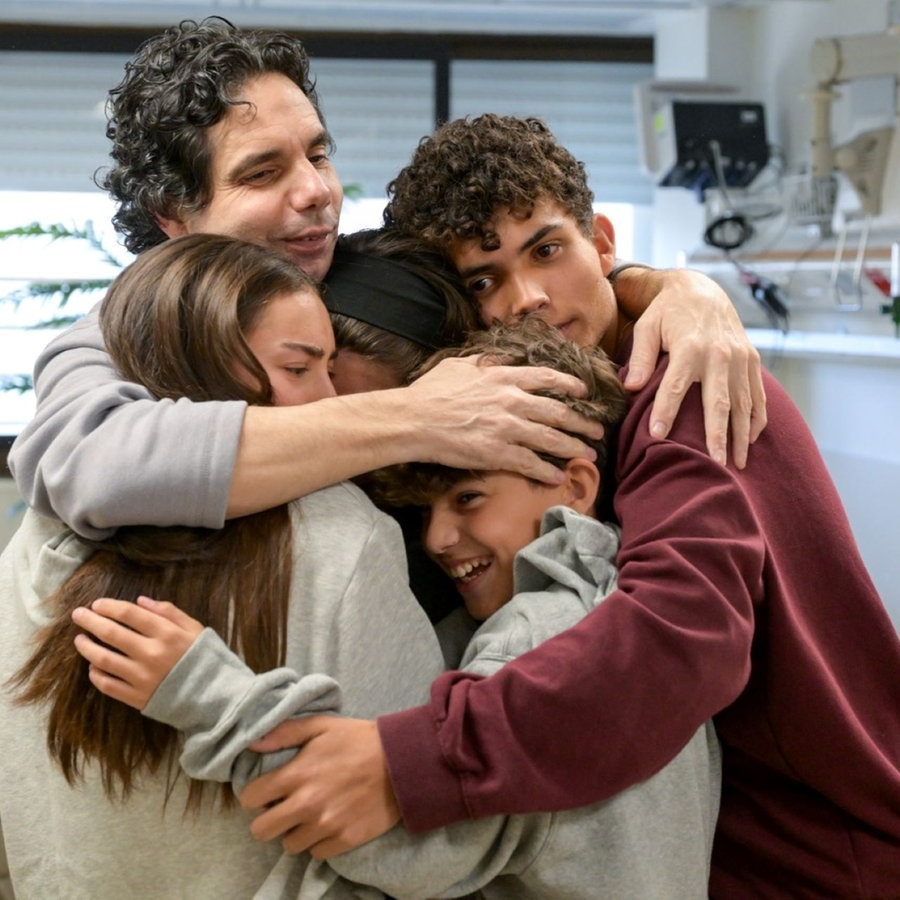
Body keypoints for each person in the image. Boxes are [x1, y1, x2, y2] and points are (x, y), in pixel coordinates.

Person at [241, 114, 900, 898]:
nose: (527, 300)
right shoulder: (575, 404)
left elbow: (681, 639)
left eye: (547, 251)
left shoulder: (687, 394)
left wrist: (412, 759)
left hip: (822, 859)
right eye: (484, 281)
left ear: (604, 242)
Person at [8, 17, 768, 546]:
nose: (317, 191)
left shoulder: (351, 271)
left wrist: (669, 287)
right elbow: (89, 464)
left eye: (318, 153)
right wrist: (411, 417)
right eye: (264, 172)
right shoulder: (121, 329)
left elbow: (515, 290)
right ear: (175, 214)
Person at [73, 318, 721, 898]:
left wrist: (204, 690)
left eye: (468, 498)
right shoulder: (627, 633)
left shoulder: (537, 638)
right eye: (424, 512)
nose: (437, 539)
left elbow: (416, 859)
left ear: (576, 486)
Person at [0, 233, 446, 899]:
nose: (332, 404)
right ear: (203, 359)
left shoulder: (39, 540)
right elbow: (416, 840)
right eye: (300, 370)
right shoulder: (343, 539)